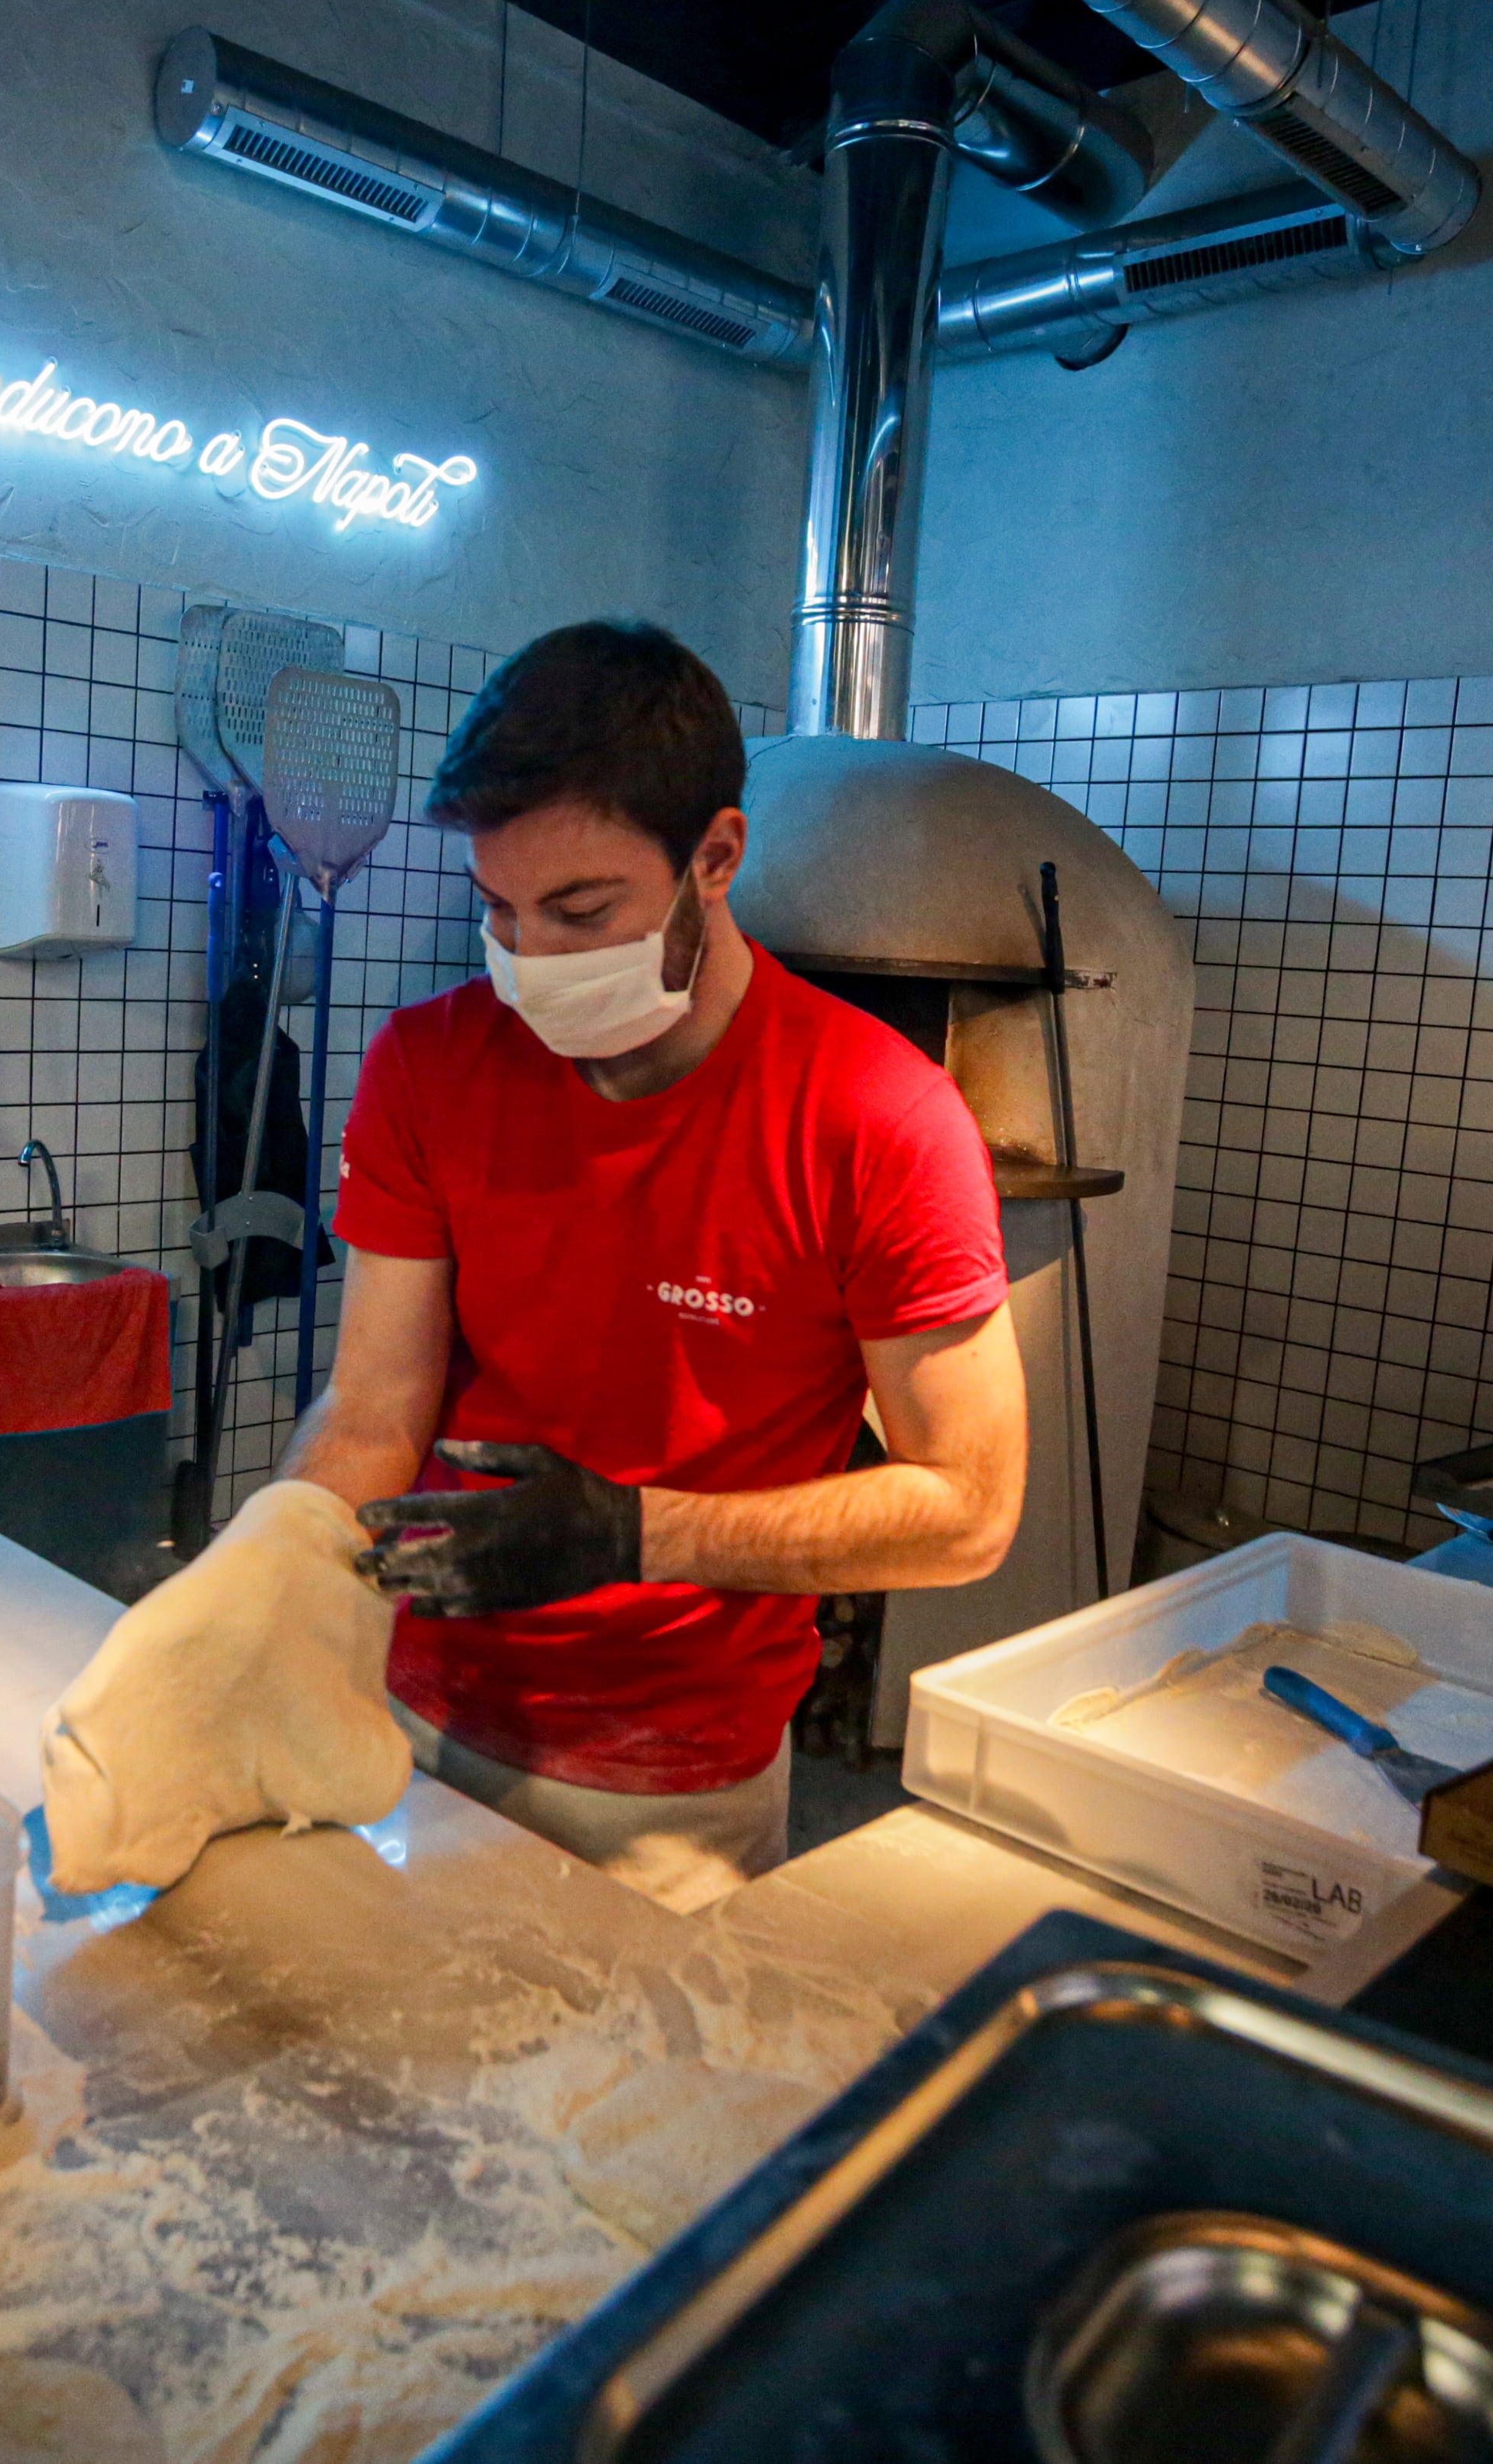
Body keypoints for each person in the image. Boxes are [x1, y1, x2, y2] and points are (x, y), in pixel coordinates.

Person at [282, 619, 1025, 1909]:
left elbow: (968, 1505)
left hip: (675, 1790)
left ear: (716, 857)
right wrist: (263, 1581)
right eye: (500, 913)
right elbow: (372, 1411)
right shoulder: (430, 1067)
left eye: (582, 911)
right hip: (406, 1720)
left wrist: (629, 1532)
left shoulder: (877, 1117)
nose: (532, 965)